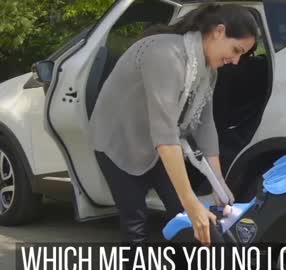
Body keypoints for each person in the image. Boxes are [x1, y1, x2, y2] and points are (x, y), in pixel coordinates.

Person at [88, 4, 258, 246]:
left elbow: (205, 125)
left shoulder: (208, 70)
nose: (236, 60)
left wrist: (218, 180)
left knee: (183, 214)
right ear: (219, 32)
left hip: (157, 143)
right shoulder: (165, 54)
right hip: (117, 141)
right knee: (136, 223)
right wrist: (191, 204)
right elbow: (165, 133)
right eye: (236, 50)